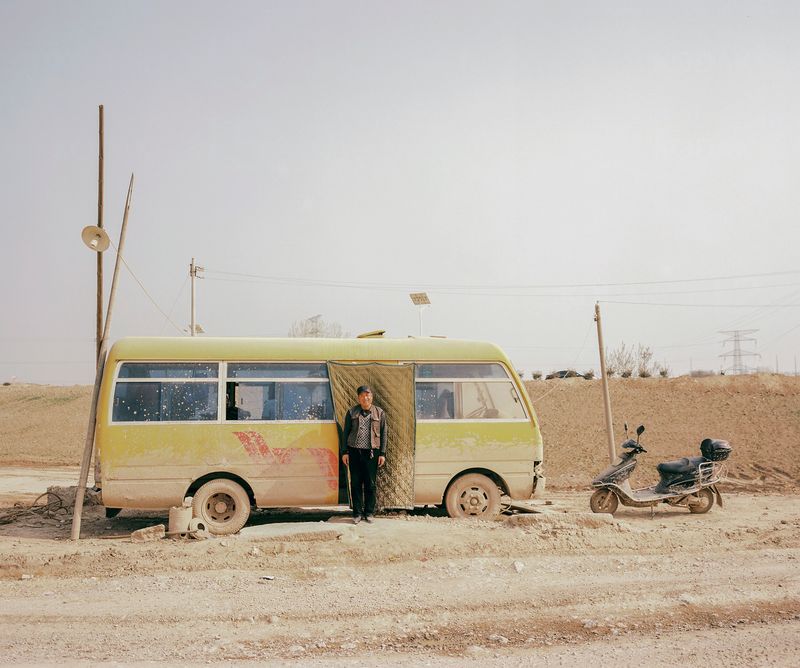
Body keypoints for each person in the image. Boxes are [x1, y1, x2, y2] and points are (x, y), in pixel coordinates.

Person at [341, 385, 386, 523]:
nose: (365, 398)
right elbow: (346, 433)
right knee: (355, 483)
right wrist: (345, 452)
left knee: (370, 484)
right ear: (358, 398)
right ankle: (357, 513)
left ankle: (369, 513)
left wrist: (382, 453)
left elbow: (384, 434)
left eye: (368, 395)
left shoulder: (379, 413)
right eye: (362, 395)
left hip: (372, 453)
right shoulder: (351, 412)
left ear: (372, 397)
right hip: (354, 452)